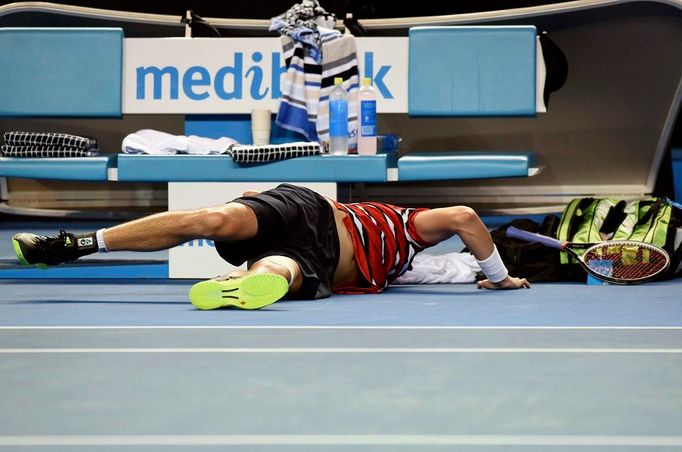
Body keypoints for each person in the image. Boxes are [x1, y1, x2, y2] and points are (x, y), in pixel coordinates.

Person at [11, 183, 530, 310]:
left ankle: (241, 284)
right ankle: (74, 243)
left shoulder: (404, 263)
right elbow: (465, 217)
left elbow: (463, 233)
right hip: (316, 227)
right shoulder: (411, 225)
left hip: (314, 221)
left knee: (257, 253)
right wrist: (500, 277)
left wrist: (477, 271)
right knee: (219, 223)